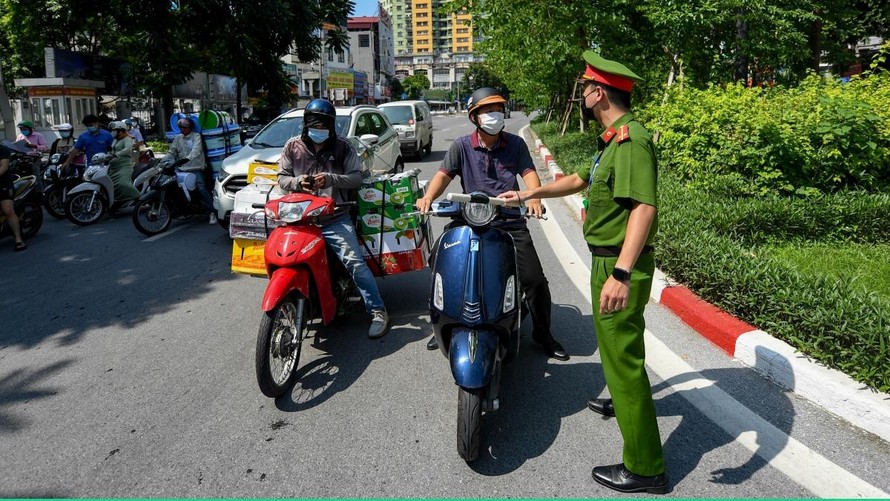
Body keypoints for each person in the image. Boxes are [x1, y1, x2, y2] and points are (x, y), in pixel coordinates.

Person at [498, 51, 666, 494]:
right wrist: (529, 192)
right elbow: (578, 181)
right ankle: (621, 400)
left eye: (587, 87)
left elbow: (643, 208)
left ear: (599, 92)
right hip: (607, 259)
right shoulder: (612, 140)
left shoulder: (631, 142)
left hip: (618, 264)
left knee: (623, 360)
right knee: (616, 351)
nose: (583, 93)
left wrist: (623, 274)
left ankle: (646, 468)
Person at [415, 87, 569, 361]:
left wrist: (532, 199)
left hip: (508, 222)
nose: (494, 115)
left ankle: (543, 332)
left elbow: (530, 174)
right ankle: (443, 321)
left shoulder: (516, 145)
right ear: (474, 116)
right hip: (469, 220)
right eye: (488, 111)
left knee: (534, 279)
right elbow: (442, 176)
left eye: (498, 110)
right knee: (439, 261)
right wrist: (427, 197)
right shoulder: (461, 146)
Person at [277, 98, 391, 339]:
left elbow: (357, 177)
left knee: (355, 263)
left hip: (335, 217)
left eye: (323, 127)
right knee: (284, 259)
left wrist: (331, 179)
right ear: (306, 124)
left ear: (331, 126)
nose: (318, 131)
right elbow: (282, 178)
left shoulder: (343, 147)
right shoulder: (292, 147)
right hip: (301, 219)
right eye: (314, 126)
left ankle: (378, 311)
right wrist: (298, 182)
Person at [163, 117, 216, 224]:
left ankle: (212, 212)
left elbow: (196, 151)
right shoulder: (178, 138)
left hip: (196, 168)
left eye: (185, 127)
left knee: (201, 187)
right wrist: (164, 160)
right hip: (181, 168)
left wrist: (187, 159)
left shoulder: (196, 136)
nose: (182, 129)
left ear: (190, 127)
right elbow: (172, 151)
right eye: (181, 127)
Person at [0, 144, 25, 251]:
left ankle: (18, 239)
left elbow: (3, 166)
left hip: (3, 184)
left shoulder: (2, 149)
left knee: (8, 210)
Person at [108, 121, 140, 202]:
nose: (113, 132)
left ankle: (138, 197)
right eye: (112, 130)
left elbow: (127, 149)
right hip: (114, 167)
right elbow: (112, 150)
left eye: (115, 130)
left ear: (121, 131)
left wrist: (116, 154)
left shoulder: (127, 138)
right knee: (111, 184)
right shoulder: (115, 140)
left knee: (123, 184)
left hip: (124, 166)